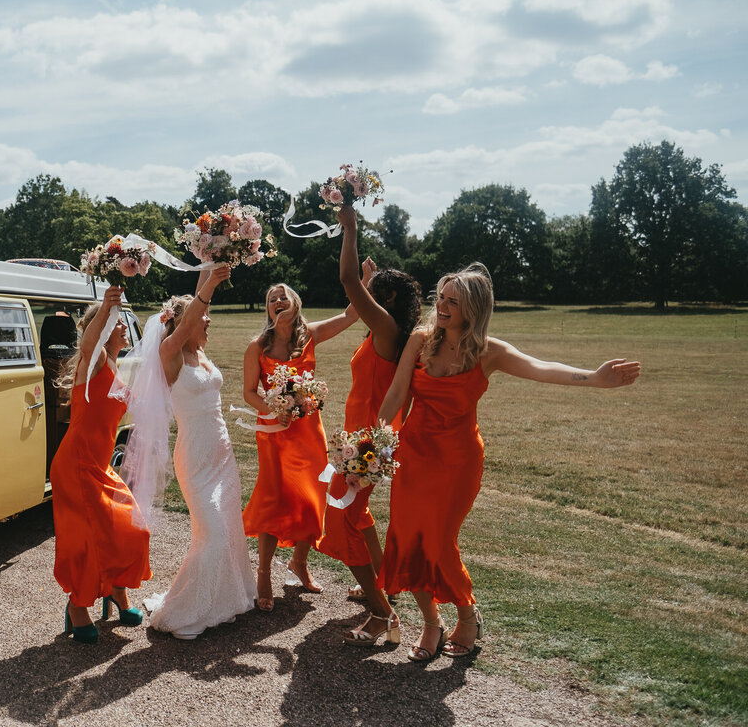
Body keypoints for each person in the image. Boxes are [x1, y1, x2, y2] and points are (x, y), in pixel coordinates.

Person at [376, 262, 641, 662]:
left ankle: (467, 614)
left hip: (458, 461)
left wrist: (594, 377)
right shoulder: (419, 340)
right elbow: (397, 395)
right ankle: (432, 622)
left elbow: (541, 368)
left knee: (438, 541)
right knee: (406, 537)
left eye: (454, 301)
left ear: (474, 309)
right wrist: (374, 441)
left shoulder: (488, 351)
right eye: (441, 298)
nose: (443, 306)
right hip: (413, 456)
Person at [124, 265, 256, 639]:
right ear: (186, 323)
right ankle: (186, 610)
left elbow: (195, 316)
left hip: (223, 453)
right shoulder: (172, 354)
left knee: (228, 529)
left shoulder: (200, 352)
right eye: (204, 317)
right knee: (213, 532)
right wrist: (211, 284)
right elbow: (188, 320)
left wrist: (211, 270)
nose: (209, 320)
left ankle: (224, 601)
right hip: (195, 458)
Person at [316, 205, 422, 645]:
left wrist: (351, 230)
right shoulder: (386, 328)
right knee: (356, 516)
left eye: (375, 291)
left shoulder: (387, 327)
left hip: (368, 444)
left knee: (340, 520)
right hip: (363, 440)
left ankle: (383, 615)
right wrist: (368, 278)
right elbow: (356, 290)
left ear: (389, 300)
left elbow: (347, 283)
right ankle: (380, 586)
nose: (366, 296)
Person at [241, 283, 357, 611]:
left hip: (308, 433)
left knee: (311, 497)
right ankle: (263, 571)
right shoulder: (257, 346)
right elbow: (249, 391)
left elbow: (352, 314)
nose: (277, 301)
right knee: (274, 498)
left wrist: (363, 282)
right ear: (268, 309)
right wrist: (274, 407)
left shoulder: (310, 336)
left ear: (295, 303)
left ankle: (299, 563)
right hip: (274, 431)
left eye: (283, 296)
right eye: (271, 298)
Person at [50, 285, 152, 644]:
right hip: (76, 465)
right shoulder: (90, 363)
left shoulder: (115, 365)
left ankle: (116, 591)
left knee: (131, 530)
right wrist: (109, 306)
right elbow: (90, 344)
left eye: (122, 321)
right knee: (85, 541)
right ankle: (78, 606)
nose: (125, 327)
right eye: (118, 322)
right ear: (104, 328)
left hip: (99, 466)